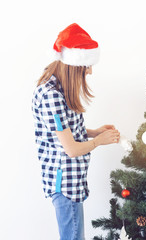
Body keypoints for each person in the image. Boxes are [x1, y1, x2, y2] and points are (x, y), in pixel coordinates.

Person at [32, 23, 120, 240]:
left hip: (73, 179)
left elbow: (63, 132)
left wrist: (93, 132)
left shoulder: (59, 89)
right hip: (65, 183)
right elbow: (70, 149)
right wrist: (99, 141)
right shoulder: (52, 95)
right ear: (74, 65)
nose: (89, 71)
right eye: (87, 66)